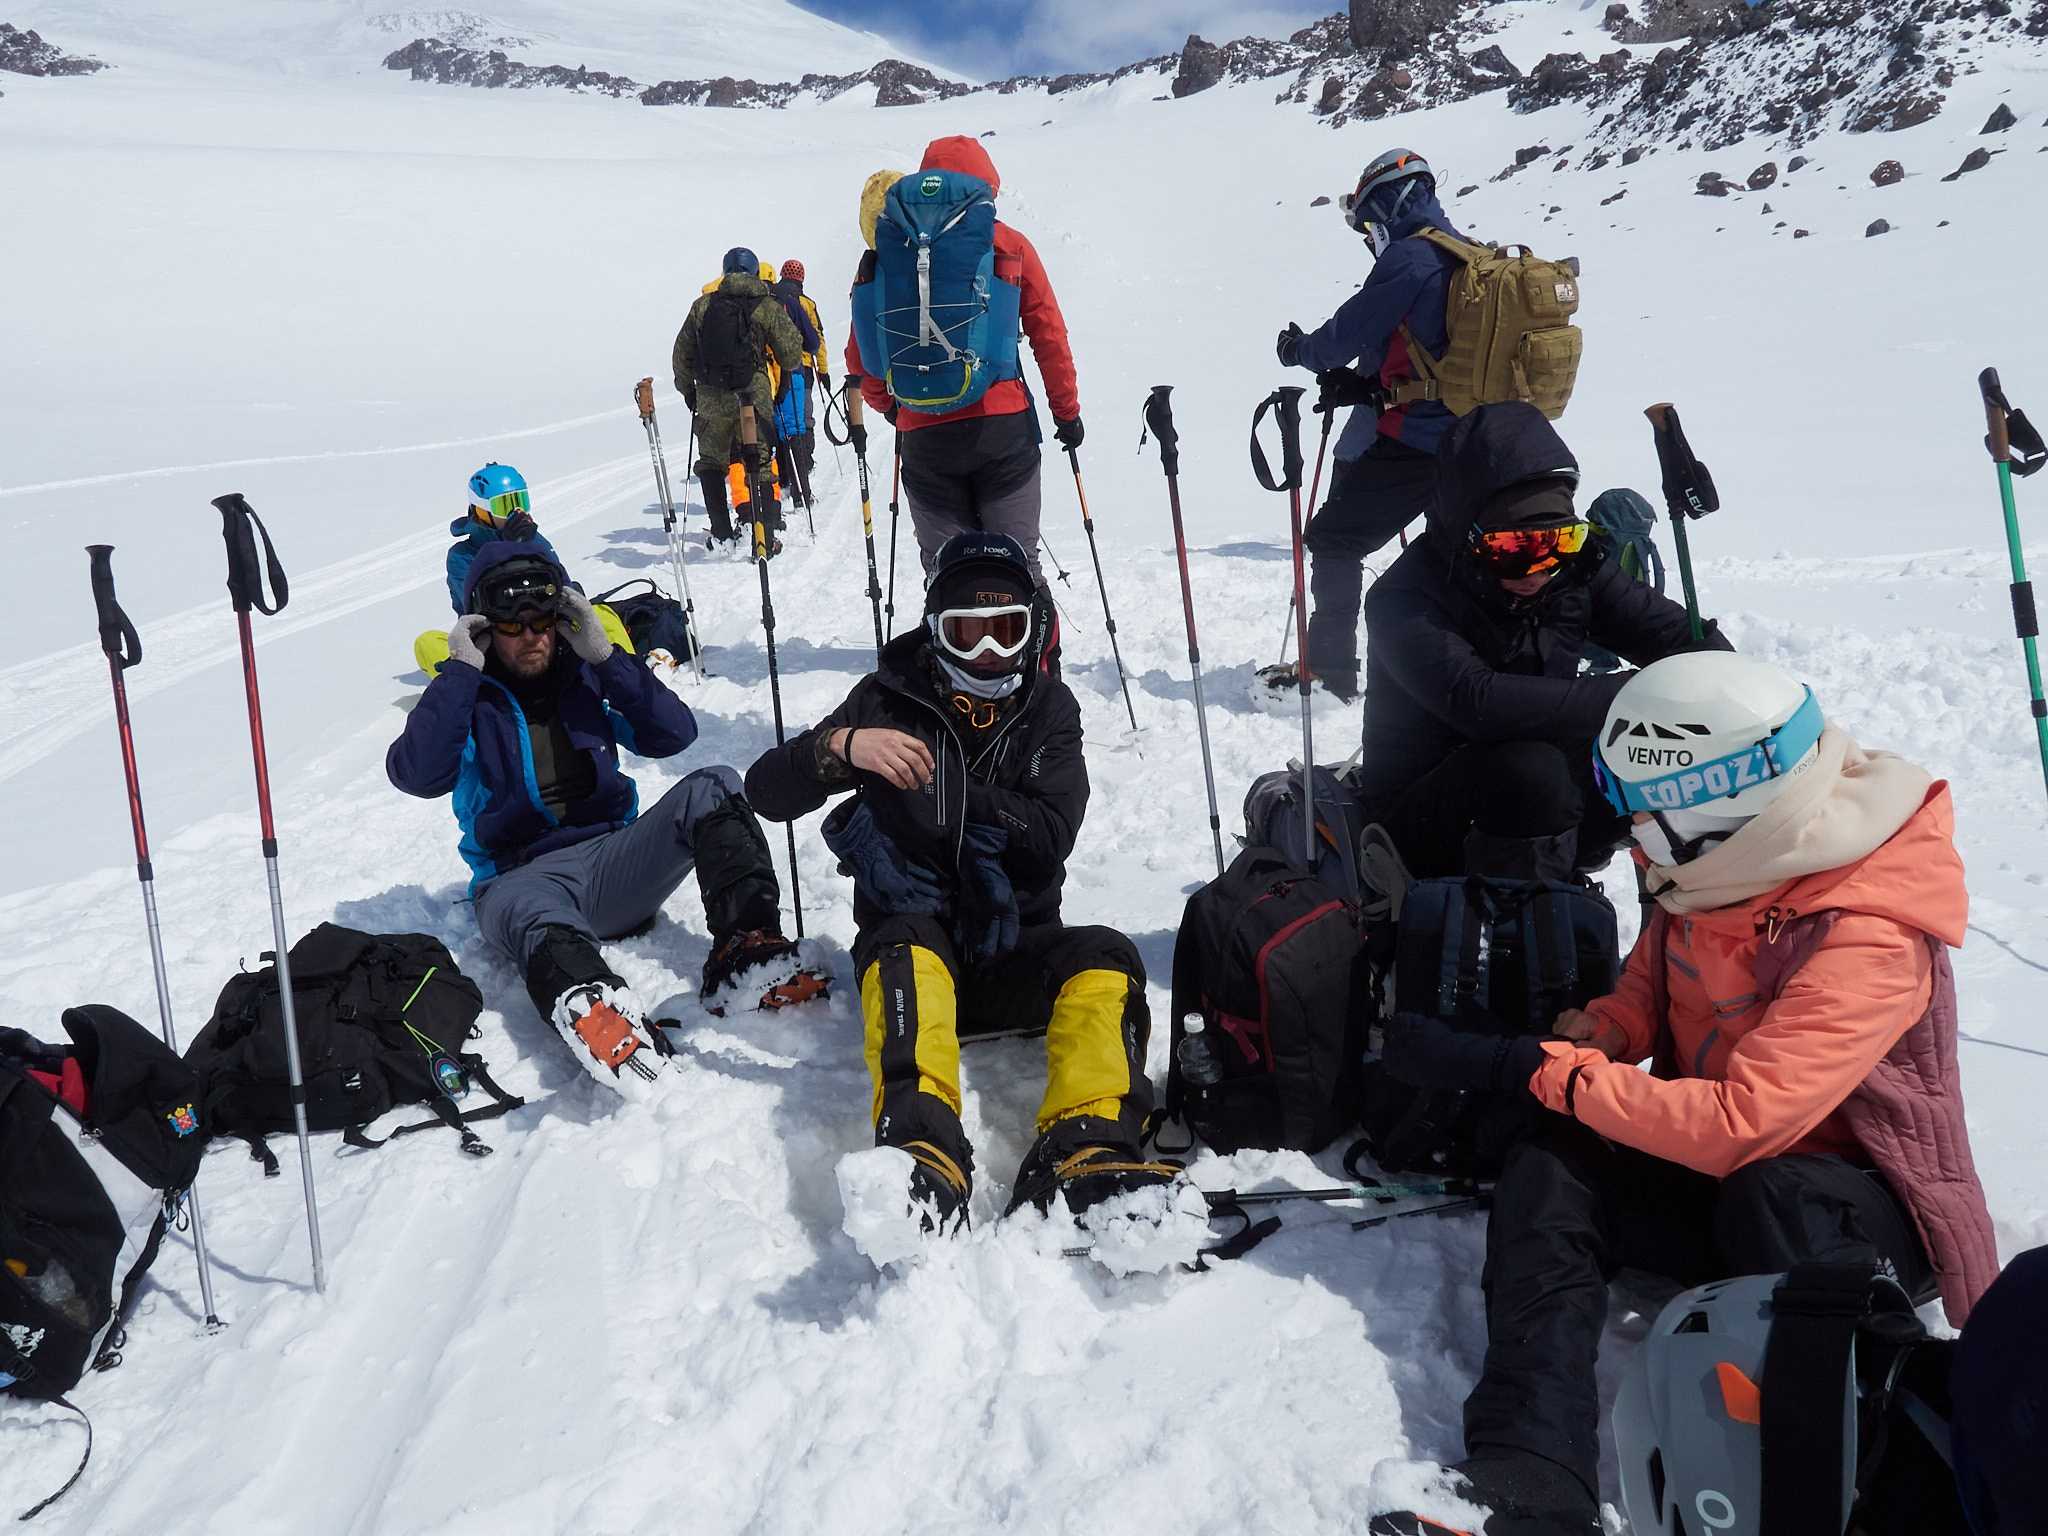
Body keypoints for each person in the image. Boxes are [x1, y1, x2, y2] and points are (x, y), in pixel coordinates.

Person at [1373, 651, 1996, 1536]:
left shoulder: (1868, 933)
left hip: (1853, 1218)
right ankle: (1532, 1467)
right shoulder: (1721, 862)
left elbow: (1745, 1126)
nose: (1629, 833)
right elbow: (1651, 987)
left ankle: (1830, 1477)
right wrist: (1605, 1034)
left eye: (1642, 808)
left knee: (1770, 1186)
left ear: (1721, 798)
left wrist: (1537, 1068)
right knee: (1555, 1155)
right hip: (1729, 1180)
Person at [743, 532, 1171, 1229]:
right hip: (913, 962)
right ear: (935, 631)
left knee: (1107, 956)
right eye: (966, 634)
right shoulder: (885, 701)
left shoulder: (1049, 709)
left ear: (1032, 630)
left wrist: (951, 793)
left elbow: (1051, 834)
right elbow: (766, 792)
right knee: (904, 939)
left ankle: (1089, 1147)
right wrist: (842, 748)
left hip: (1014, 955)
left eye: (1007, 632)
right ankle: (923, 1152)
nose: (989, 654)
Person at [388, 542, 827, 1092]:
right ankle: (595, 1009)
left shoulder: (585, 675)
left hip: (613, 864)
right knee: (535, 918)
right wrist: (457, 674)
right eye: (512, 624)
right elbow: (417, 775)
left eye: (543, 620)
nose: (532, 635)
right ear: (482, 628)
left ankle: (749, 954)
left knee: (715, 785)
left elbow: (674, 734)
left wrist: (606, 658)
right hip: (521, 879)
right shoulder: (465, 698)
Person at [1354, 400, 1730, 884]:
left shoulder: (1571, 570)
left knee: (1677, 755)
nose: (1539, 571)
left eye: (1558, 542)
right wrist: (1644, 695)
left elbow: (1683, 640)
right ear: (1467, 536)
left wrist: (1726, 687)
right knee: (1532, 773)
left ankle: (1689, 935)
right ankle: (1521, 937)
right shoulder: (1405, 597)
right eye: (1513, 549)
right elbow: (1478, 701)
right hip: (1420, 817)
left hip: (1539, 788)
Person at [1272, 149, 1467, 701]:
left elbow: (1342, 337)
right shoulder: (1470, 256)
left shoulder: (1410, 258)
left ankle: (1330, 673)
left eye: (1366, 218)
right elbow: (1432, 350)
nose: (1367, 231)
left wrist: (1297, 350)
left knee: (1334, 539)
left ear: (1388, 201)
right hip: (1481, 441)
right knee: (1456, 548)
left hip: (1422, 441)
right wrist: (1368, 387)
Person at [843, 137, 1080, 588]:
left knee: (948, 573)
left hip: (925, 437)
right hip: (1003, 430)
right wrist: (1066, 413)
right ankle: (1038, 659)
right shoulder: (1008, 243)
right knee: (1017, 567)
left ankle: (951, 655)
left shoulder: (890, 251)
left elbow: (861, 356)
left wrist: (895, 409)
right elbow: (1048, 333)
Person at [673, 246, 804, 550]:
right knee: (760, 462)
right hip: (752, 397)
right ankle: (766, 533)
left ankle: (721, 535)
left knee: (712, 465)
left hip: (709, 399)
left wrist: (691, 393)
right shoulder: (766, 305)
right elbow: (791, 355)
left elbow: (681, 356)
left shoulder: (702, 306)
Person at [445, 462, 557, 614]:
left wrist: (526, 545)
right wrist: (510, 549)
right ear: (482, 510)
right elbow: (478, 607)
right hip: (493, 633)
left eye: (520, 502)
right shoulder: (462, 556)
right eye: (504, 506)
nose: (517, 512)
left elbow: (563, 588)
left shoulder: (533, 539)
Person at [771, 259, 830, 488]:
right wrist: (823, 371)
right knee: (803, 417)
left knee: (781, 419)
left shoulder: (772, 298)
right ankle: (805, 461)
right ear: (802, 278)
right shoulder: (805, 303)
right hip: (801, 367)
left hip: (775, 369)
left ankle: (784, 469)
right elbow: (817, 339)